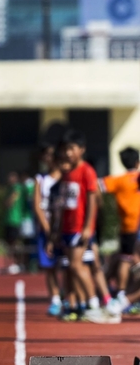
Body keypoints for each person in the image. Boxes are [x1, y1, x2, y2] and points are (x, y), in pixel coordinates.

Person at [58, 129, 118, 323]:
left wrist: (87, 227)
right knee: (72, 267)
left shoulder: (87, 171)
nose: (68, 153)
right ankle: (87, 304)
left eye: (72, 149)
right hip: (67, 227)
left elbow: (92, 200)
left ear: (81, 150)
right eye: (65, 149)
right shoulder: (67, 173)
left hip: (80, 227)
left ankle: (94, 304)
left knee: (77, 265)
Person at [99, 147, 140, 296]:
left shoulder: (119, 180)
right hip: (134, 225)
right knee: (127, 259)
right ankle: (124, 294)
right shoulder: (137, 177)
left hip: (127, 226)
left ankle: (122, 293)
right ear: (137, 162)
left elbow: (98, 185)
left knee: (125, 259)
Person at [33, 144, 62, 315]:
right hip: (46, 228)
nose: (50, 159)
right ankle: (56, 298)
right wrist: (48, 228)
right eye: (47, 155)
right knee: (49, 265)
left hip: (64, 228)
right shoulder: (41, 179)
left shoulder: (66, 177)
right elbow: (37, 205)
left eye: (53, 155)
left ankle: (70, 296)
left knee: (67, 265)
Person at [3, 171, 23, 273]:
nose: (9, 179)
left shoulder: (17, 188)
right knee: (9, 243)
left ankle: (19, 263)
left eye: (12, 177)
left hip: (15, 219)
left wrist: (7, 202)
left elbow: (10, 202)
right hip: (8, 220)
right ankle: (12, 263)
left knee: (15, 243)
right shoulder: (9, 189)